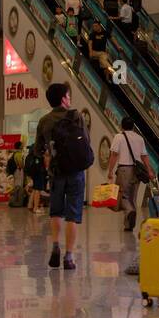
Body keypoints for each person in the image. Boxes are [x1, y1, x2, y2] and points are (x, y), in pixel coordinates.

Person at [37, 83, 91, 271]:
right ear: (63, 99)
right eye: (68, 96)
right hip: (76, 172)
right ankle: (69, 256)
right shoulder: (77, 117)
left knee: (56, 211)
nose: (70, 99)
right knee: (73, 215)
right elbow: (86, 142)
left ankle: (54, 246)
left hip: (56, 172)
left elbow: (38, 149)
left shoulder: (44, 121)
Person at [106, 119, 152, 232]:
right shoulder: (139, 138)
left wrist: (110, 171)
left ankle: (130, 212)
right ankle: (128, 225)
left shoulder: (119, 137)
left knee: (123, 196)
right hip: (137, 172)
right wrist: (149, 170)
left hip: (124, 170)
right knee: (133, 197)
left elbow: (114, 154)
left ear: (122, 126)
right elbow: (144, 156)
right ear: (133, 127)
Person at [26, 138, 48, 213]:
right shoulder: (40, 150)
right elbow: (44, 160)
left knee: (35, 189)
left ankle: (30, 205)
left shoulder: (32, 149)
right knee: (38, 190)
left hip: (33, 172)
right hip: (39, 172)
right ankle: (35, 208)